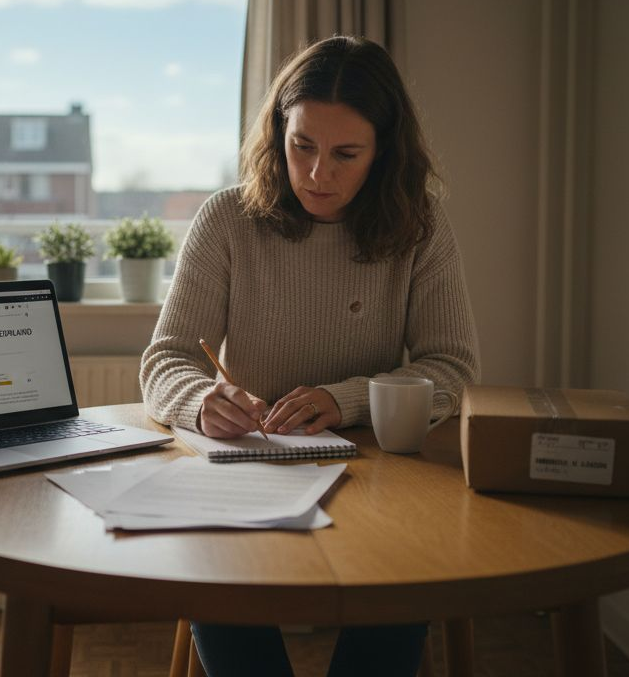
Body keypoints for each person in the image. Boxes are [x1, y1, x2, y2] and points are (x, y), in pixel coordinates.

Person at [139, 35, 480, 676]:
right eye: (302, 146)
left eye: (347, 153)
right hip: (248, 471)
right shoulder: (226, 221)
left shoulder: (420, 228)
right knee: (217, 578)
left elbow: (453, 367)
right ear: (278, 134)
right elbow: (166, 359)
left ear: (384, 152)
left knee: (404, 586)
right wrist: (200, 400)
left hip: (380, 477)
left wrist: (342, 399)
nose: (318, 173)